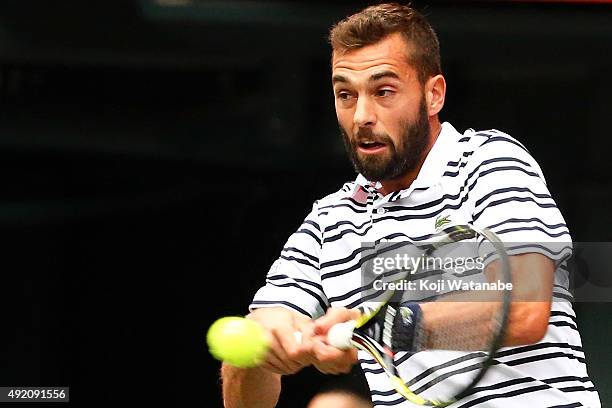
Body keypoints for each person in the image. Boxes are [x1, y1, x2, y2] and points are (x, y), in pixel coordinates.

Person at [221, 3, 601, 407]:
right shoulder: (328, 221)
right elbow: (253, 369)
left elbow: (525, 311)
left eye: (384, 91)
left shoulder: (489, 162)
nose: (361, 115)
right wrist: (260, 349)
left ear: (433, 94)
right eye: (345, 94)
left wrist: (379, 328)